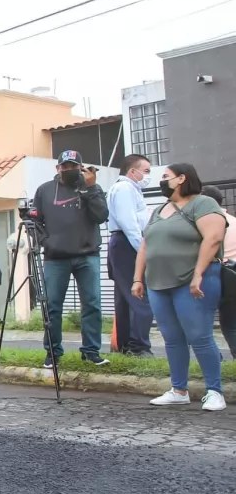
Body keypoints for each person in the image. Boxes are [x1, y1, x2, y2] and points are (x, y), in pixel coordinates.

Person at [134, 163, 227, 410]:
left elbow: (214, 238)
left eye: (165, 177)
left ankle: (215, 391)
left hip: (193, 281)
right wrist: (137, 278)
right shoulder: (159, 210)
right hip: (158, 283)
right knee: (172, 338)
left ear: (182, 179)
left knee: (200, 335)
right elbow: (145, 245)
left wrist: (198, 274)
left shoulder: (204, 203)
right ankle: (178, 389)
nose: (161, 181)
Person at [30, 150, 110, 369]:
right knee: (52, 306)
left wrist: (90, 187)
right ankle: (53, 352)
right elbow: (34, 222)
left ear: (81, 167)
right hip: (55, 258)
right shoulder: (45, 190)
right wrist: (46, 241)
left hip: (87, 255)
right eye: (65, 166)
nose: (69, 170)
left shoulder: (92, 187)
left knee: (92, 304)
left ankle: (91, 351)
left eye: (74, 166)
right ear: (58, 168)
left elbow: (102, 215)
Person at [107, 154, 154, 357]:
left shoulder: (129, 189)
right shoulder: (125, 189)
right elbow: (130, 225)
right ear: (132, 171)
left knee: (125, 297)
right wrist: (142, 251)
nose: (148, 176)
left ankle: (126, 344)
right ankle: (139, 347)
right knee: (139, 294)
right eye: (146, 171)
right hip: (128, 243)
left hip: (123, 243)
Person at [200, 185, 236, 360]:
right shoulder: (233, 220)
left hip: (210, 274)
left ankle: (214, 359)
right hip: (233, 276)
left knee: (202, 322)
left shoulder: (204, 222)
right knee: (231, 324)